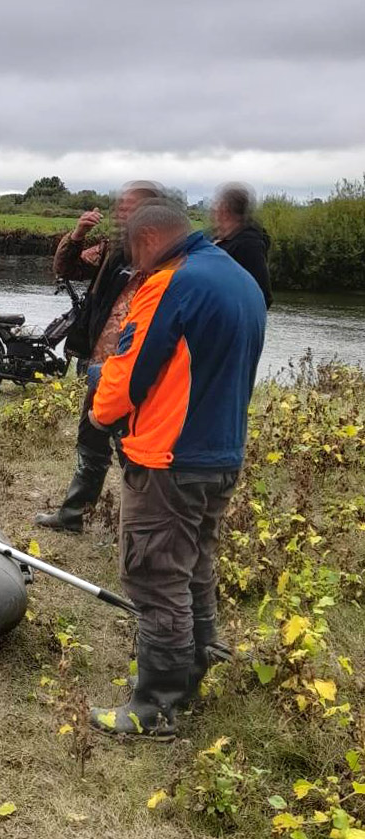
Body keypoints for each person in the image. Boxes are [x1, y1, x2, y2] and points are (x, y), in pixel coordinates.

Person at [87, 199, 266, 739]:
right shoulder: (242, 281)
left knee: (154, 572)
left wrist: (98, 402)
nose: (136, 272)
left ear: (146, 244)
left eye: (135, 260)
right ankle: (198, 662)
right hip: (221, 453)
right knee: (194, 563)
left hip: (168, 457)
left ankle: (155, 706)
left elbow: (128, 374)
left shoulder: (170, 283)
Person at [35, 180, 166, 533]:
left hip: (134, 373)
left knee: (132, 451)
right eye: (120, 206)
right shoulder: (114, 250)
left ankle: (147, 527)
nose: (121, 212)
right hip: (100, 368)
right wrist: (77, 234)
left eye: (130, 206)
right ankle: (72, 516)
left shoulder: (167, 260)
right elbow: (68, 269)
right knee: (91, 442)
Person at [211, 182, 272, 307]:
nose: (214, 211)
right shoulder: (216, 239)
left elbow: (262, 295)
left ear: (225, 210)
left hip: (231, 318)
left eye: (217, 206)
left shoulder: (249, 245)